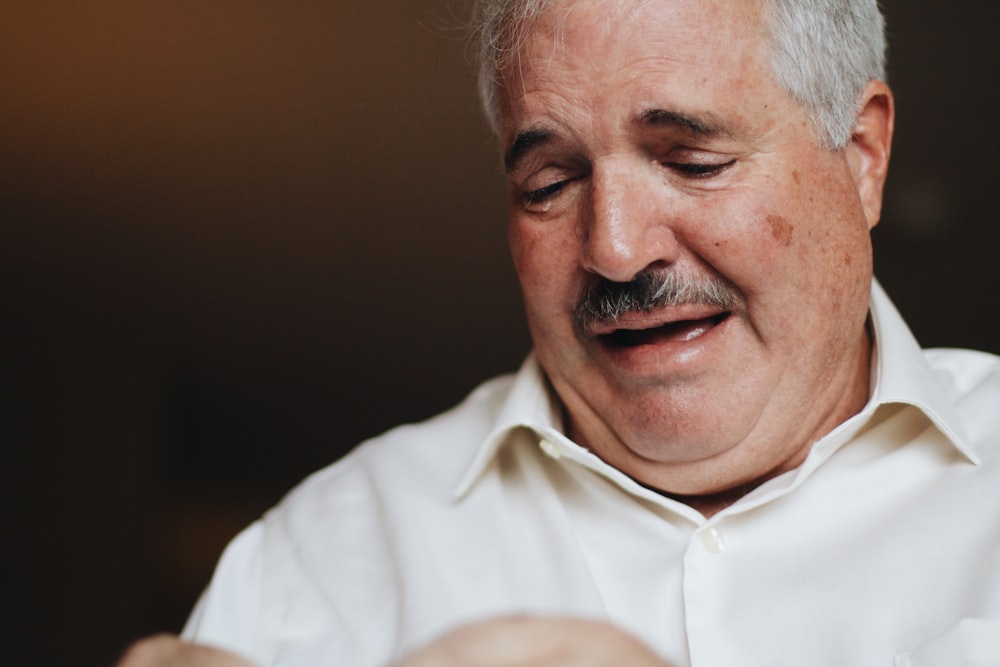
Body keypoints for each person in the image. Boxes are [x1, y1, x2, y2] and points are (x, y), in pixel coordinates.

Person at [118, 0, 1000, 665]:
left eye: (693, 162)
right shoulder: (315, 559)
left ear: (862, 155)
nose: (614, 249)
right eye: (548, 183)